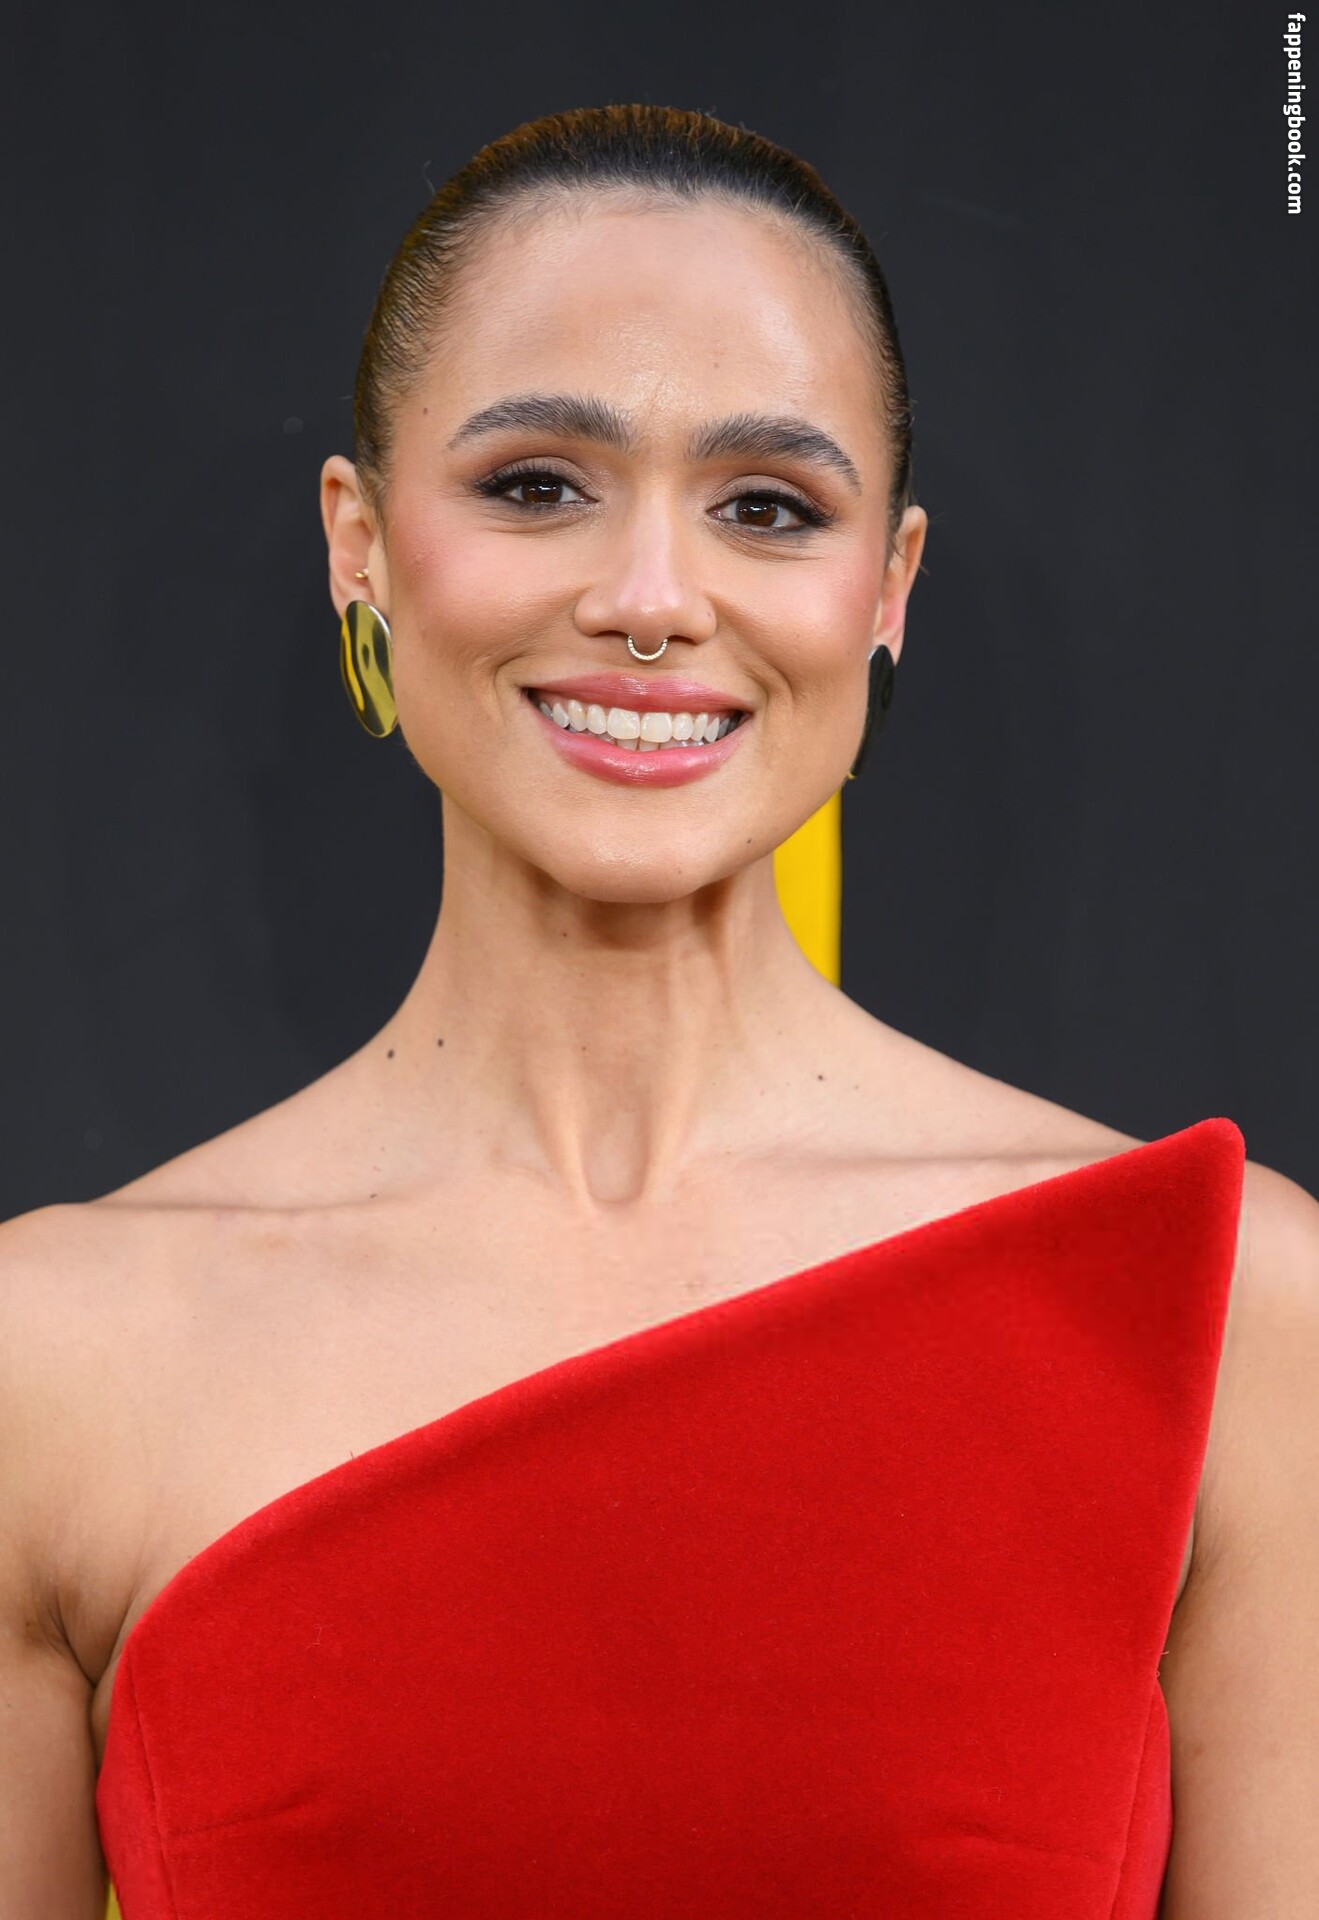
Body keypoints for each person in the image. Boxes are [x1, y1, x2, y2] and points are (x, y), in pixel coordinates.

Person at [2, 103, 1315, 1919]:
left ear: (887, 590)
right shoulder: (53, 1363)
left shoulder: (1223, 1313)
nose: (650, 600)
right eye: (538, 484)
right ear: (359, 544)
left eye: (767, 508)